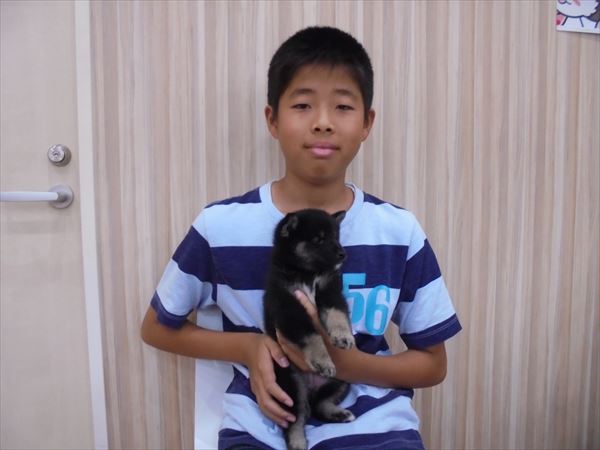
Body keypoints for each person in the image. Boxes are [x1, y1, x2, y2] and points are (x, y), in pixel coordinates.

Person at [141, 26, 461, 450]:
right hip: (261, 426)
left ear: (367, 123)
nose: (323, 122)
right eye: (303, 105)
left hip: (377, 429)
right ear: (273, 119)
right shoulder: (219, 227)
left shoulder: (399, 232)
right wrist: (248, 346)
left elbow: (433, 364)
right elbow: (157, 329)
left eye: (342, 106)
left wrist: (348, 365)